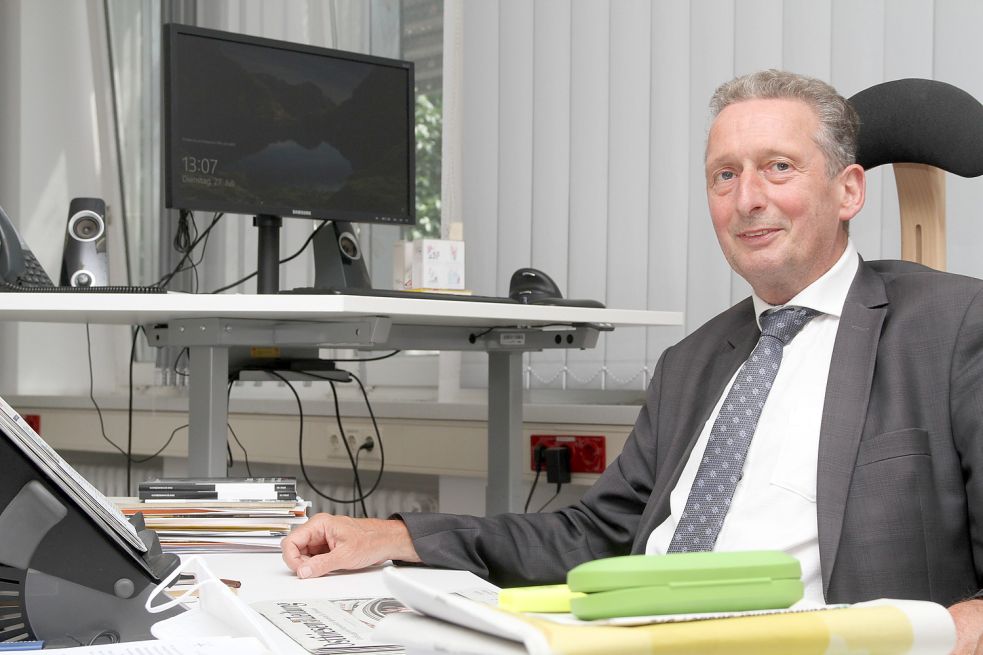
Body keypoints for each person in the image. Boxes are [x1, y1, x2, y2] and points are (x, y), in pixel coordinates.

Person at [282, 70, 983, 653]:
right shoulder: (693, 362)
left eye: (778, 167)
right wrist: (397, 534)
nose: (747, 199)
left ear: (847, 191)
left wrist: (950, 632)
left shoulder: (951, 327)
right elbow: (590, 534)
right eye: (723, 175)